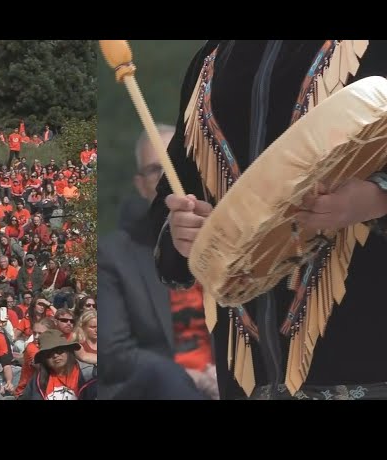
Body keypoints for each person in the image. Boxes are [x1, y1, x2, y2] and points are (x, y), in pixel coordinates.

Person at [150, 40, 387, 400]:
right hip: (246, 376)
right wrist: (181, 232)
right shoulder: (209, 63)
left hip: (366, 359)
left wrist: (375, 198)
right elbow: (173, 196)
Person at [98, 125, 208, 400]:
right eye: (156, 170)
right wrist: (187, 377)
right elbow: (113, 353)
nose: (167, 177)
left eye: (176, 164)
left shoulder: (226, 238)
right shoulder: (113, 255)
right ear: (141, 184)